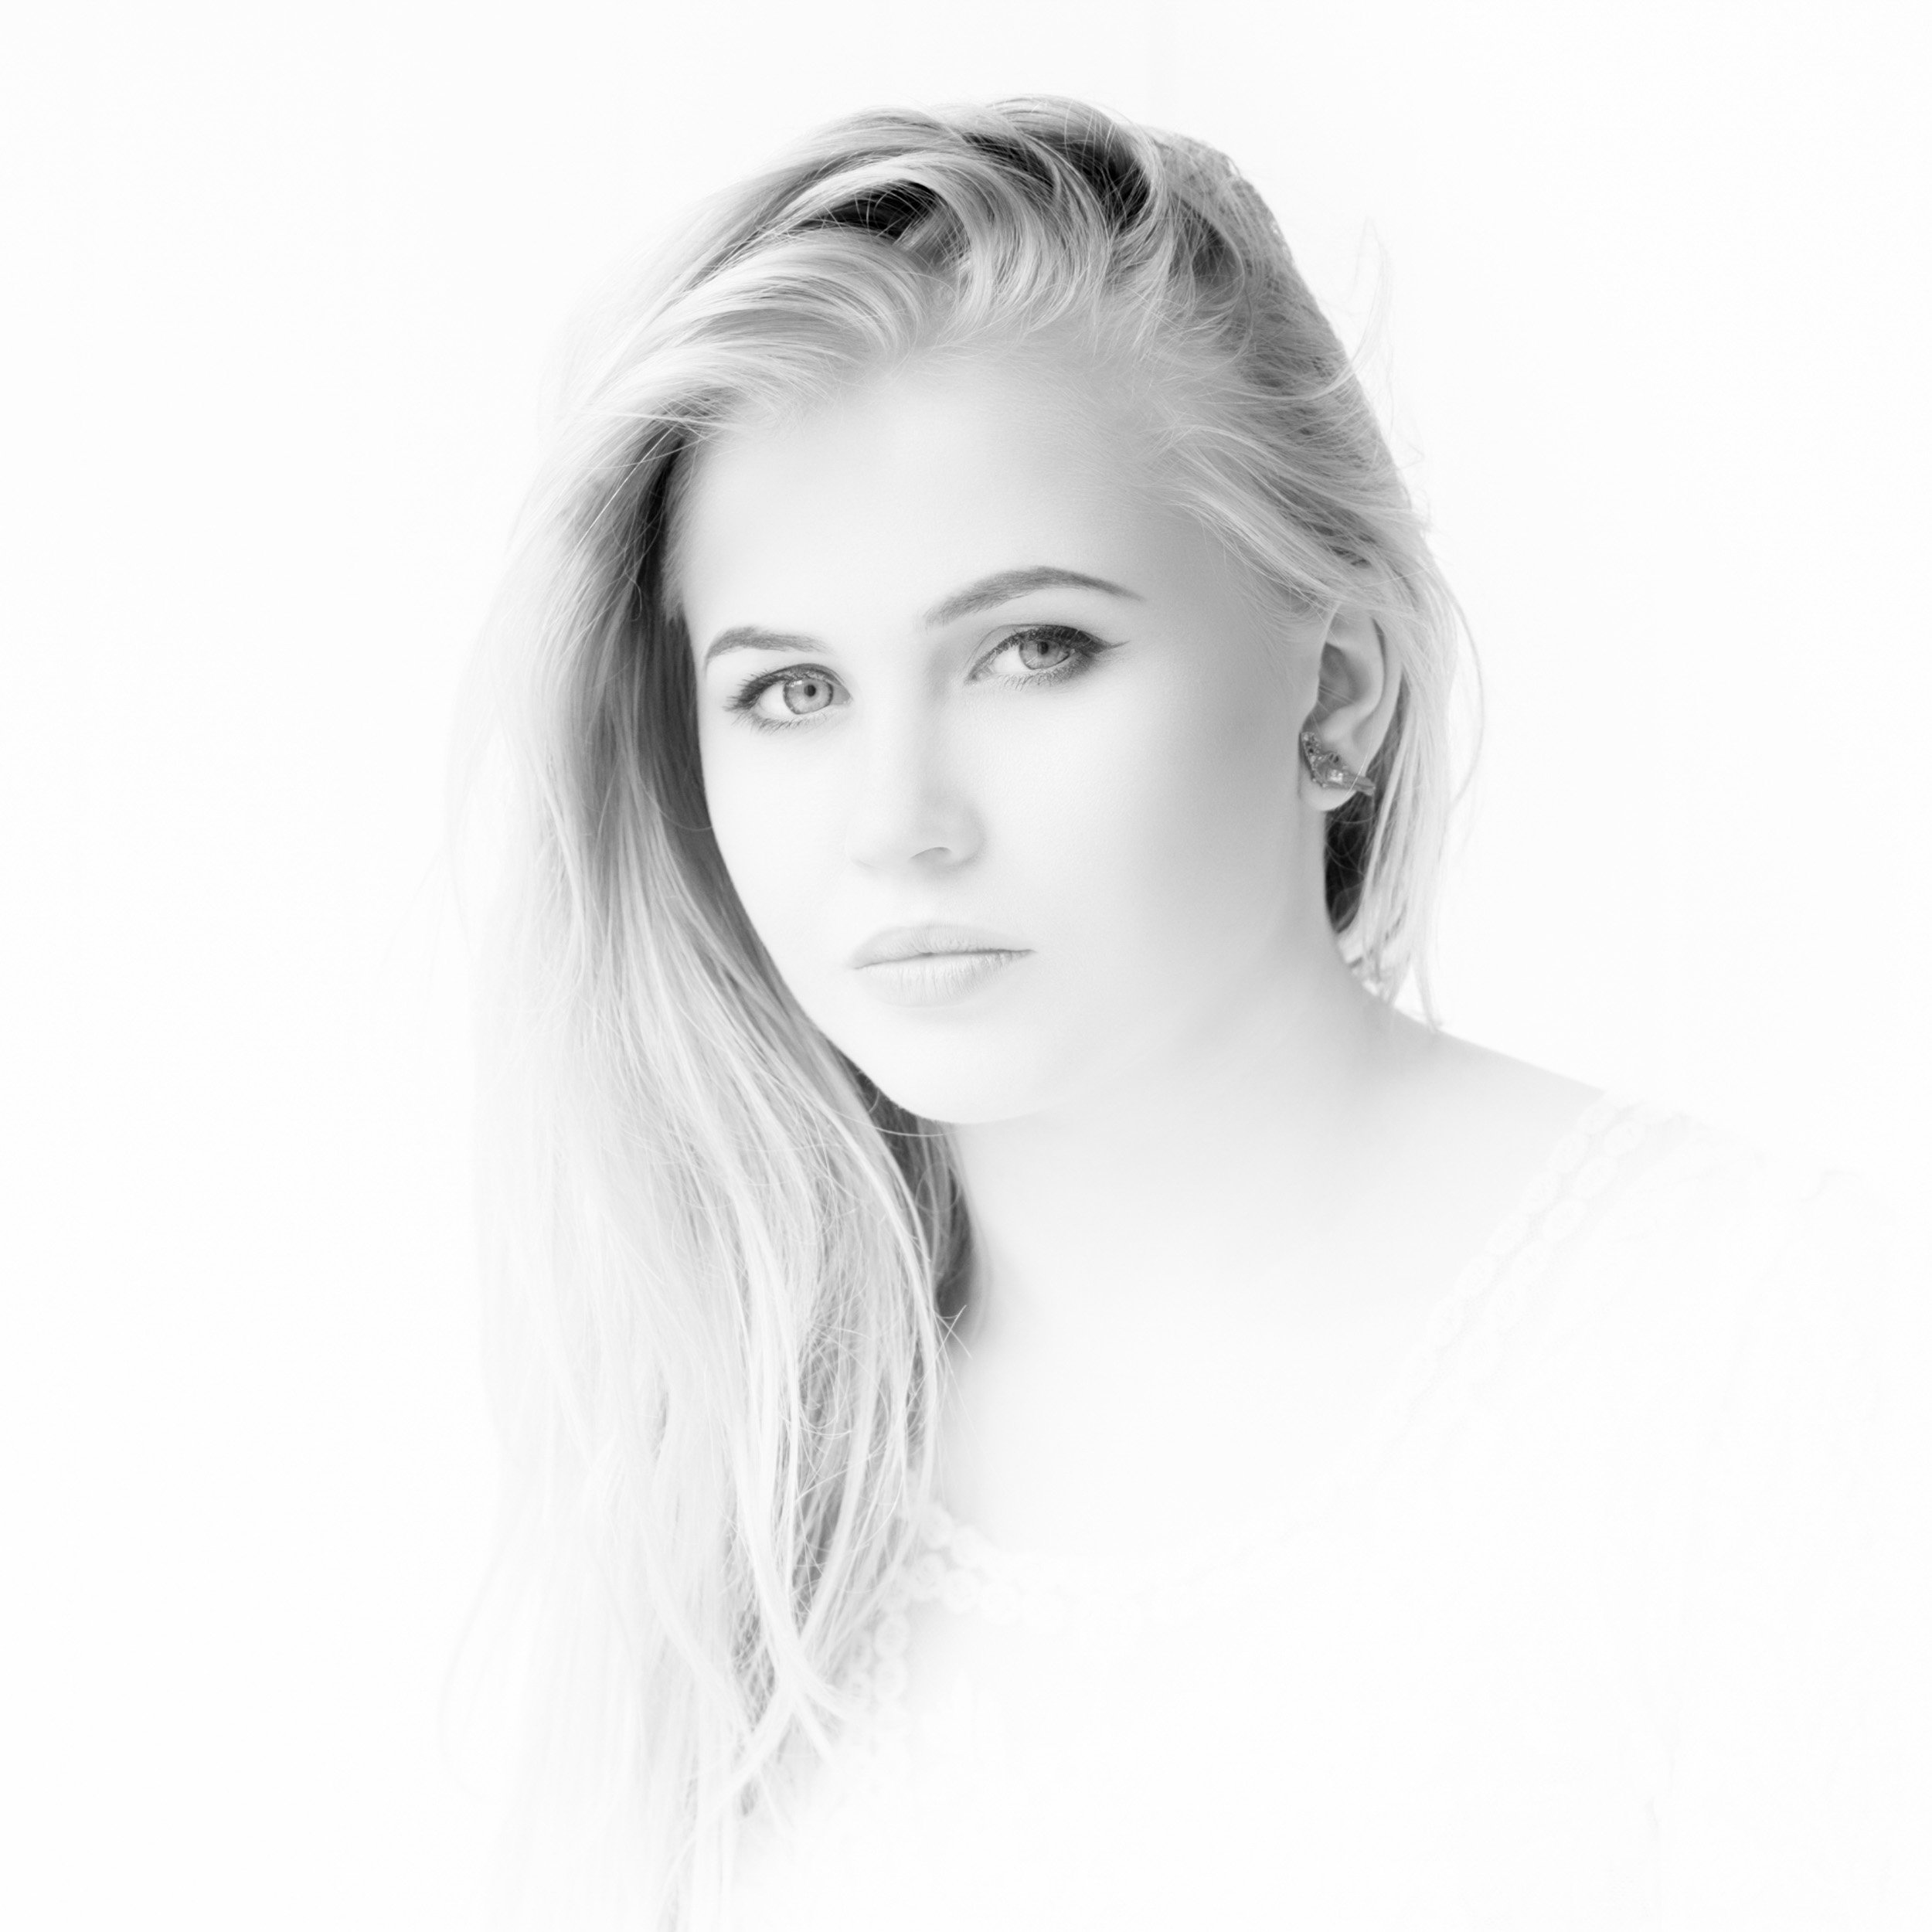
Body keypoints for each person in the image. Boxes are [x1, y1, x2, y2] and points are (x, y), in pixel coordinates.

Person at [460, 96, 1930, 1932]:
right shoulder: (714, 1494)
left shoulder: (1776, 1366)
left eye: (1031, 650)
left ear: (1337, 694)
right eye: (789, 690)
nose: (897, 818)